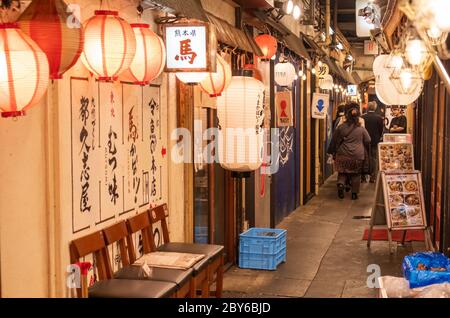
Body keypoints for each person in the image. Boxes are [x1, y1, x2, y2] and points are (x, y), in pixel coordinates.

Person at [328, 102, 371, 200]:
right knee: (355, 174)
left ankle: (340, 184)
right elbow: (368, 140)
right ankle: (354, 194)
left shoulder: (341, 127)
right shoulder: (361, 128)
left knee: (342, 172)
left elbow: (334, 139)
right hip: (357, 155)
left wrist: (332, 151)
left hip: (342, 154)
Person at [362, 101, 385, 183]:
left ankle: (363, 177)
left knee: (364, 157)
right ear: (375, 108)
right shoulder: (379, 118)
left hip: (364, 140)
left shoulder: (363, 117)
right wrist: (378, 137)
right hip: (375, 140)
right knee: (374, 158)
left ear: (368, 108)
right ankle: (373, 177)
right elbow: (381, 130)